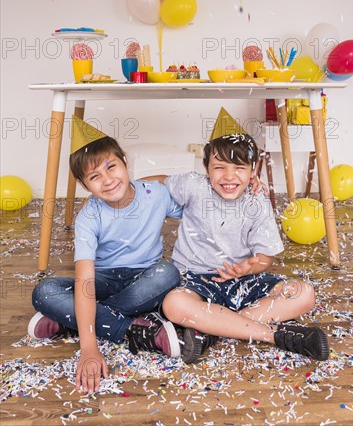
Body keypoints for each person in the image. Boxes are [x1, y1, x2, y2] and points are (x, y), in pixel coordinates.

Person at [27, 117, 199, 395]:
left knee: (168, 273)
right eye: (95, 177)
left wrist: (244, 183)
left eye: (111, 167)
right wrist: (89, 348)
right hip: (102, 280)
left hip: (145, 279)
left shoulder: (156, 194)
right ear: (85, 185)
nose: (107, 180)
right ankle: (132, 330)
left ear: (125, 161)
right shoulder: (89, 216)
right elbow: (85, 280)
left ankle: (69, 320)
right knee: (44, 292)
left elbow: (196, 200)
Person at [160, 110, 330, 363]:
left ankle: (211, 331)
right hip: (195, 279)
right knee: (173, 304)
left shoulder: (256, 200)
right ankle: (271, 335)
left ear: (253, 170)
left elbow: (265, 258)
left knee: (304, 294)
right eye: (219, 168)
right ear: (206, 168)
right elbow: (156, 184)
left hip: (243, 281)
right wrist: (126, 187)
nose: (229, 177)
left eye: (239, 168)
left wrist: (249, 266)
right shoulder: (193, 185)